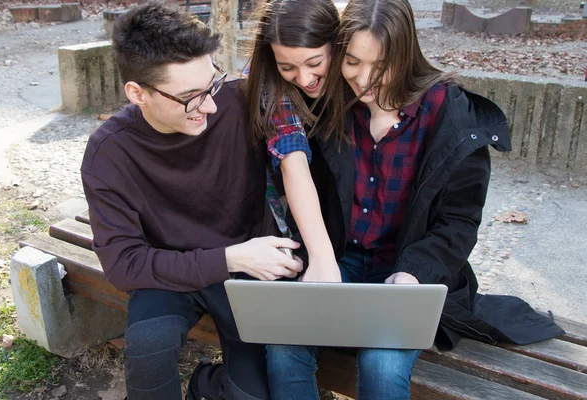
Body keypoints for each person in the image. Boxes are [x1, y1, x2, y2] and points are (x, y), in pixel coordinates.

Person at [263, 0, 565, 399]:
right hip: (341, 259)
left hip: (407, 270)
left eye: (381, 65)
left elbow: (459, 222)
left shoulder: (451, 116)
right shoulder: (327, 101)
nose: (364, 79)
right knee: (283, 344)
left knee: (382, 367)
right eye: (351, 62)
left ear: (405, 55)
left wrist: (413, 274)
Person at [80, 3, 304, 400]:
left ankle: (206, 384)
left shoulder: (239, 101)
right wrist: (231, 257)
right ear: (138, 94)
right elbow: (125, 265)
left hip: (249, 270)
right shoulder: (109, 152)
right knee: (148, 350)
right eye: (190, 97)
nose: (212, 105)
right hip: (168, 273)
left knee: (254, 392)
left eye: (212, 83)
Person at [244, 0, 343, 282]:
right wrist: (323, 258)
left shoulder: (355, 67)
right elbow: (293, 162)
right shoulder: (270, 83)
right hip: (298, 200)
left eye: (315, 63)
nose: (304, 78)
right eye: (288, 67)